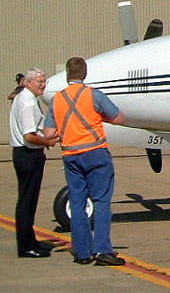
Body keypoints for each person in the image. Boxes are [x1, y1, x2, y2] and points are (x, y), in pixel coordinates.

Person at [42, 56, 126, 266]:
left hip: (71, 155)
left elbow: (50, 132)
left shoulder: (57, 99)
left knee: (78, 204)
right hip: (95, 153)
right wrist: (98, 118)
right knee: (102, 201)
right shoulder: (93, 95)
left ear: (67, 74)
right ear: (84, 74)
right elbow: (118, 118)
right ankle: (102, 250)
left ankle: (82, 252)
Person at [9, 68, 59, 258]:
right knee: (27, 202)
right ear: (28, 82)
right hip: (28, 155)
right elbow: (29, 136)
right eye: (39, 82)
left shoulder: (23, 98)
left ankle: (30, 241)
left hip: (24, 154)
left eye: (44, 81)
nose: (43, 85)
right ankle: (26, 246)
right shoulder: (28, 102)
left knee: (28, 201)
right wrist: (47, 142)